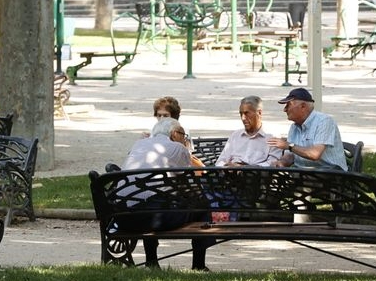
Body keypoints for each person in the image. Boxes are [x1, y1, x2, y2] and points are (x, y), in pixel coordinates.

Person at [121, 117, 214, 271]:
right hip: (153, 219)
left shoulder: (138, 144)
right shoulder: (178, 148)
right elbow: (188, 181)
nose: (184, 139)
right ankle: (199, 265)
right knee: (202, 203)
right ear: (173, 134)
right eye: (183, 135)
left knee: (152, 198)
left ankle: (151, 261)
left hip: (123, 218)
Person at [267, 88, 348, 171]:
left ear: (303, 106)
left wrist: (289, 145)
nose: (284, 109)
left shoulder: (324, 121)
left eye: (288, 105)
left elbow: (314, 154)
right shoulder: (294, 126)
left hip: (331, 174)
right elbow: (290, 155)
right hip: (305, 174)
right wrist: (281, 162)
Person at [216, 96, 283, 167]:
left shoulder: (272, 137)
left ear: (259, 113)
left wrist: (244, 168)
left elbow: (272, 164)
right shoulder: (235, 135)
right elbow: (220, 161)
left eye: (247, 113)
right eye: (241, 114)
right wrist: (226, 167)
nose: (243, 118)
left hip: (257, 176)